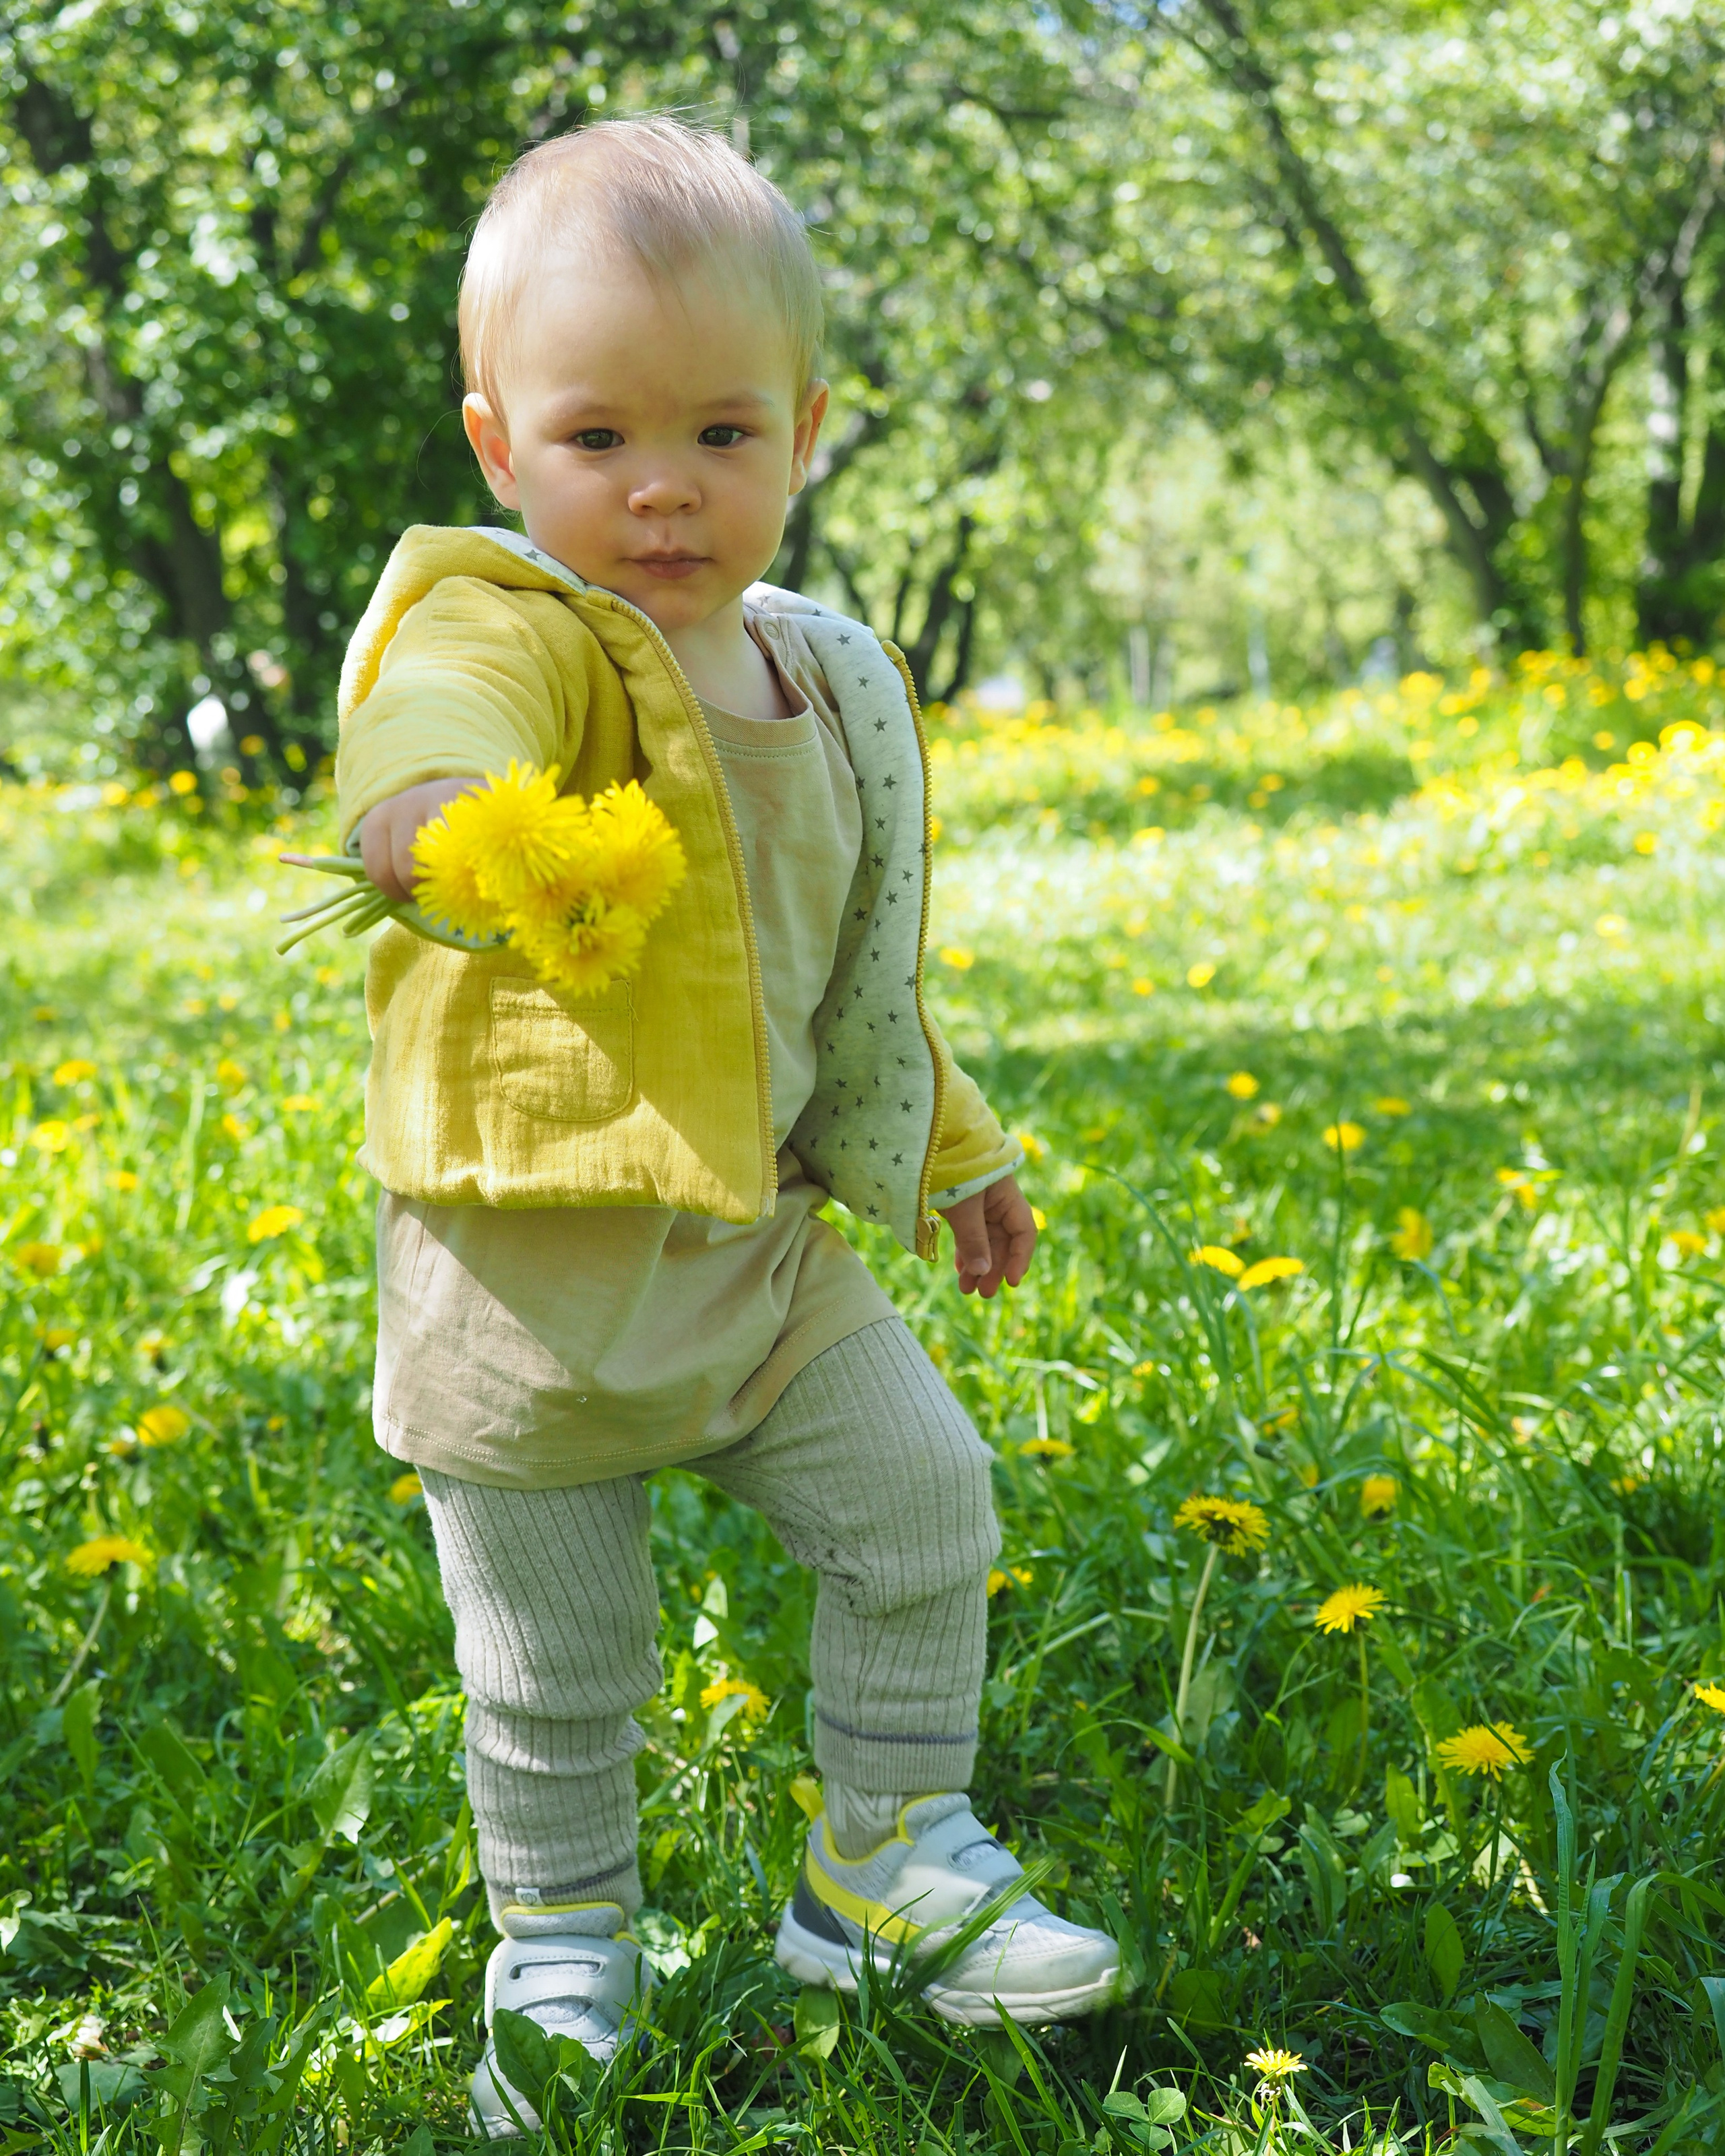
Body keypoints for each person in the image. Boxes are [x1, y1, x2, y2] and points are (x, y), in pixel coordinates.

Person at [333, 115, 1119, 2138]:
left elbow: (842, 966)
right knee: (554, 1664)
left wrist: (957, 1144)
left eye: (723, 432)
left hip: (758, 1250)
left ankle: (884, 1860)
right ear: (503, 449)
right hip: (535, 1282)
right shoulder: (506, 626)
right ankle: (567, 1940)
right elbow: (433, 735)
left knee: (929, 1509)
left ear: (809, 433)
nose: (664, 486)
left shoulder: (825, 676)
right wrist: (437, 824)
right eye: (598, 439)